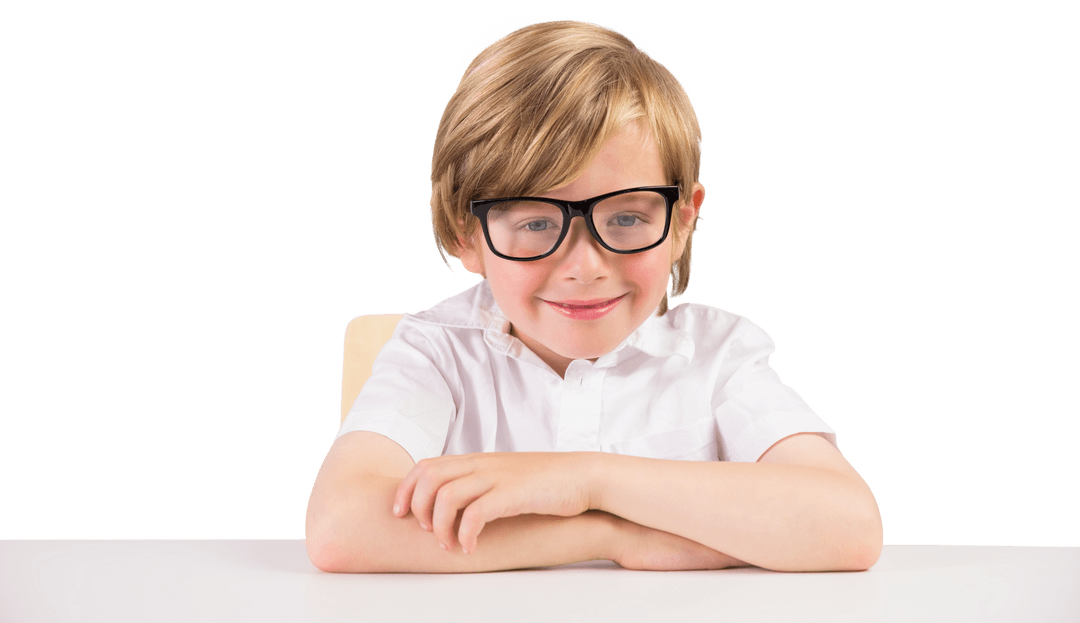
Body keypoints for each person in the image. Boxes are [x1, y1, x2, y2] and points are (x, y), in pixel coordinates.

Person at [305, 16, 883, 573]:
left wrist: (587, 480)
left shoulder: (716, 355)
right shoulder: (437, 353)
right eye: (534, 224)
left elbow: (847, 525)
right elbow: (342, 527)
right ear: (467, 235)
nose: (584, 267)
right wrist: (609, 533)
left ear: (682, 221)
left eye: (627, 218)